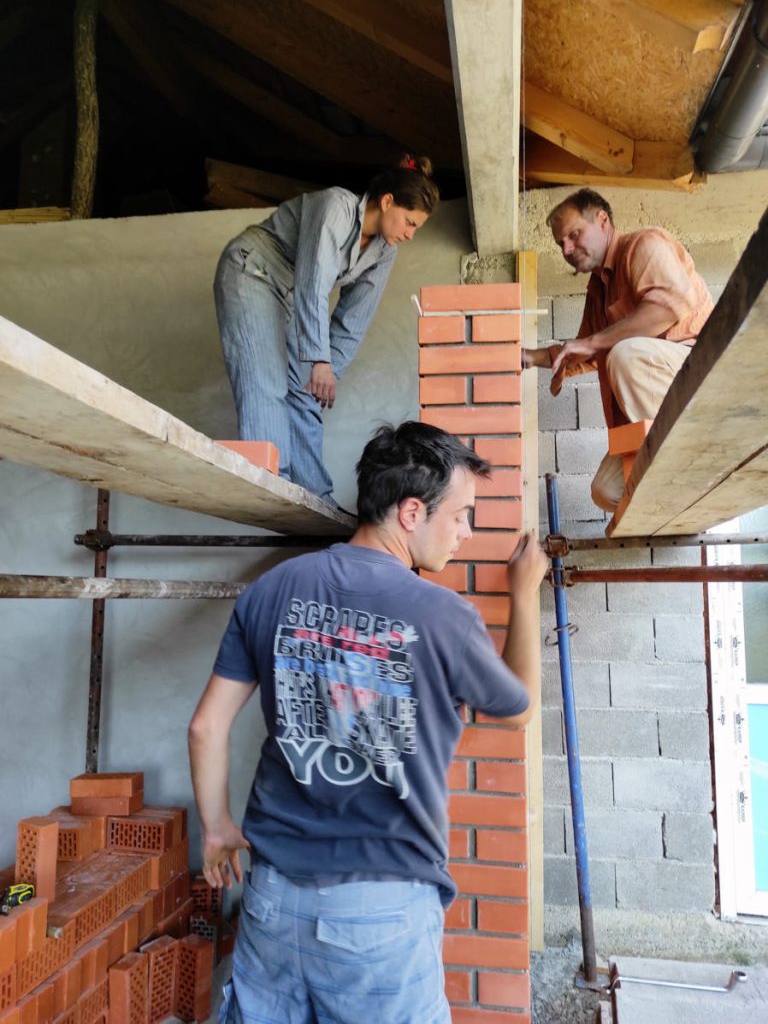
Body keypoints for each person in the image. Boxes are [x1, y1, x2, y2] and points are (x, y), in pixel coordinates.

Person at [188, 420, 547, 1024]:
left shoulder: (271, 589)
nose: (466, 532)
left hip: (271, 899)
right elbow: (520, 711)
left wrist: (218, 826)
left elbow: (205, 727)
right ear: (411, 512)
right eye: (461, 515)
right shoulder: (442, 615)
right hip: (380, 915)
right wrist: (525, 592)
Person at [213, 156, 439, 505]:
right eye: (409, 222)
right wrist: (318, 358)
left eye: (415, 229)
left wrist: (327, 372)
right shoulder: (336, 207)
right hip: (251, 271)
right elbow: (312, 282)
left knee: (306, 390)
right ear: (387, 201)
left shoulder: (383, 250)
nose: (409, 234)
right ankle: (273, 482)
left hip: (286, 297)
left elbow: (355, 317)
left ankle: (314, 494)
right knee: (266, 379)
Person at [523, 188, 714, 511]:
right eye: (560, 243)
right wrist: (528, 358)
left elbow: (670, 305)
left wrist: (595, 342)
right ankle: (671, 506)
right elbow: (582, 354)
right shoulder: (598, 289)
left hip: (698, 381)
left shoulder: (643, 245)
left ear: (603, 221)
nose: (567, 248)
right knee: (606, 490)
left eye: (574, 234)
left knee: (624, 354)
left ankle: (687, 465)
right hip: (660, 406)